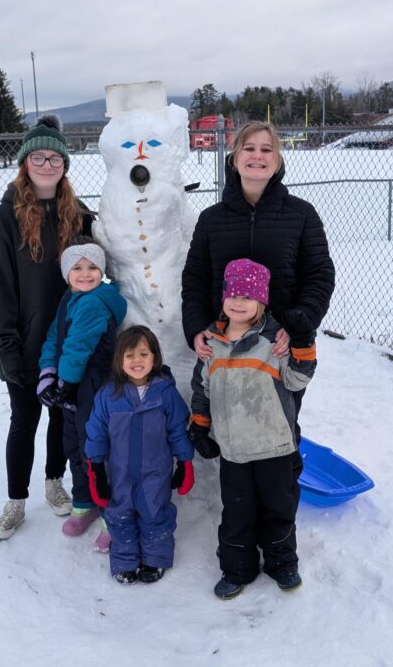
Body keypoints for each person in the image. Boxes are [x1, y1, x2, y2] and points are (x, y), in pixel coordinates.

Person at [181, 121, 335, 436]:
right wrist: (196, 328)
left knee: (280, 431)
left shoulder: (301, 215)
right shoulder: (211, 220)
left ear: (277, 160)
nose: (257, 156)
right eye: (248, 148)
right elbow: (195, 279)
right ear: (234, 158)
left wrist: (298, 327)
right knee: (232, 432)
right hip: (227, 349)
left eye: (267, 149)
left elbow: (319, 275)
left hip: (279, 348)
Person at [0, 114, 92, 540]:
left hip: (66, 340)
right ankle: (15, 502)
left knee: (62, 417)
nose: (47, 165)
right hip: (25, 342)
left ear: (65, 164)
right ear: (25, 162)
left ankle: (53, 481)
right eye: (38, 157)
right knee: (24, 417)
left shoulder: (78, 215)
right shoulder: (4, 219)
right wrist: (5, 347)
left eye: (55, 158)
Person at [188, 259, 317, 600]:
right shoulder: (211, 344)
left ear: (262, 301)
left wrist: (302, 340)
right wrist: (200, 426)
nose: (239, 301)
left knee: (279, 506)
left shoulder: (274, 342)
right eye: (234, 293)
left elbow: (297, 378)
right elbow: (202, 388)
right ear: (224, 297)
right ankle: (237, 568)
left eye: (249, 295)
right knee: (237, 511)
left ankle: (282, 562)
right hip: (233, 450)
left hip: (275, 446)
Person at [85, 326, 195, 584]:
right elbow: (95, 434)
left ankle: (155, 559)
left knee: (155, 515)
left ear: (155, 358)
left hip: (155, 473)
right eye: (129, 355)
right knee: (119, 516)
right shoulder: (108, 395)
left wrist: (185, 463)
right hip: (120, 474)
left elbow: (178, 430)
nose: (137, 361)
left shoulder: (165, 393)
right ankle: (124, 561)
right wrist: (96, 470)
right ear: (119, 360)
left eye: (143, 354)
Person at [36, 240, 126, 548]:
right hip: (72, 381)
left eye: (92, 268)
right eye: (77, 268)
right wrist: (48, 371)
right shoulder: (69, 299)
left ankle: (111, 514)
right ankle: (84, 501)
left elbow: (79, 346)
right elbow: (54, 338)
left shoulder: (94, 302)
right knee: (73, 443)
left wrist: (65, 383)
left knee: (96, 446)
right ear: (66, 273)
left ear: (102, 272)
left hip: (93, 383)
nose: (85, 274)